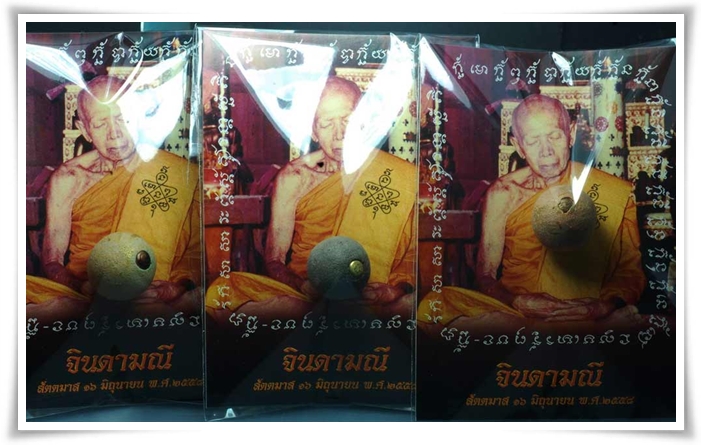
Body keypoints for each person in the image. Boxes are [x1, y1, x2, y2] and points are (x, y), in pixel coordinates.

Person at [418, 94, 646, 332]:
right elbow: (485, 276)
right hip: (517, 311)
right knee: (437, 303)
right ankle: (565, 331)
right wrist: (516, 301)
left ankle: (561, 330)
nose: (546, 151)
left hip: (584, 310)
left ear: (571, 134)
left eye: (554, 136)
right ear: (518, 147)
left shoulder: (612, 192)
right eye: (533, 141)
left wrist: (603, 307)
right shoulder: (504, 194)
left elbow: (630, 274)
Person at [206, 76, 416, 322]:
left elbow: (410, 258)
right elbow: (274, 260)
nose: (339, 134)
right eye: (326, 124)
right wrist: (304, 286)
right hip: (305, 293)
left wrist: (394, 290)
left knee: (412, 304)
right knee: (223, 291)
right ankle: (328, 317)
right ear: (314, 131)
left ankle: (325, 318)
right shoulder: (295, 178)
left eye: (348, 120)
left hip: (370, 294)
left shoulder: (396, 176)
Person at [26, 75, 201, 321]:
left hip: (153, 294)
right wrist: (81, 286)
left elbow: (196, 256)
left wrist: (175, 288)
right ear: (85, 131)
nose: (114, 134)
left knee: (205, 298)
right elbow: (52, 261)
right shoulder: (69, 179)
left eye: (123, 119)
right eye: (100, 124)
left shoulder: (174, 173)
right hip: (84, 293)